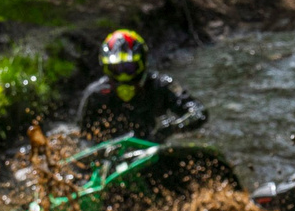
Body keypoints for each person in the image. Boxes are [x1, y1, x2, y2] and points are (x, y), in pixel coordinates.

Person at [75, 29, 204, 143]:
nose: (123, 75)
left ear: (142, 64)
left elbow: (198, 112)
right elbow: (84, 137)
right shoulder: (96, 95)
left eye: (129, 68)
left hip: (152, 148)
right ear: (106, 68)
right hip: (111, 155)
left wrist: (171, 128)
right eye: (116, 69)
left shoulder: (159, 85)